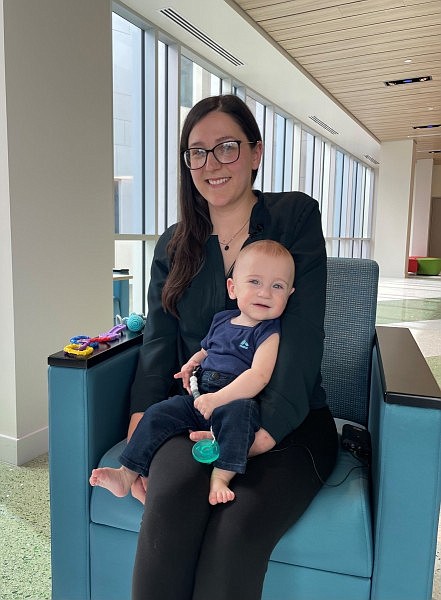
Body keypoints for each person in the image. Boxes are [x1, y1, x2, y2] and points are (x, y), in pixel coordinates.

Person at [127, 94, 338, 600]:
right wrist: (141, 422)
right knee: (171, 504)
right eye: (196, 152)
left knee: (235, 529)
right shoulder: (174, 245)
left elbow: (304, 335)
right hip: (206, 412)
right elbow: (159, 340)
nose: (211, 164)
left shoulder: (294, 216)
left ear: (256, 152)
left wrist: (265, 430)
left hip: (290, 419)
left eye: (226, 148)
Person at [90, 240, 295, 505]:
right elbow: (207, 350)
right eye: (255, 282)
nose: (265, 293)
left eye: (277, 286)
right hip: (200, 396)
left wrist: (218, 400)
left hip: (233, 400)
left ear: (288, 295)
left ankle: (220, 477)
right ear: (233, 288)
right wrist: (190, 364)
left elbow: (259, 376)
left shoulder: (268, 332)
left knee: (241, 416)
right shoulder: (222, 320)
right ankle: (126, 473)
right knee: (159, 412)